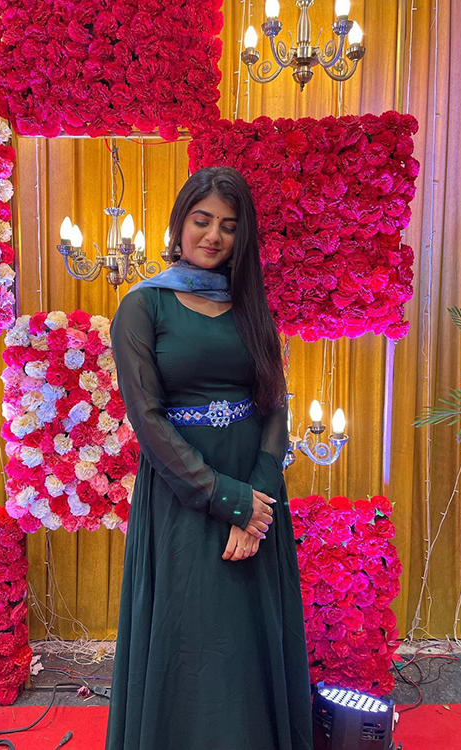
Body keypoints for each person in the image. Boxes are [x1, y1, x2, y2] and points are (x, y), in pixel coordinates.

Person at [106, 167, 313, 750]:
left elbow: (274, 405)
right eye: (202, 220)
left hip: (257, 490)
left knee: (248, 636)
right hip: (185, 494)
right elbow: (147, 418)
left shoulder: (252, 305)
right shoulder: (143, 306)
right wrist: (227, 498)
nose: (214, 235)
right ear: (180, 223)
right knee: (192, 635)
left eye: (229, 225)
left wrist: (259, 500)